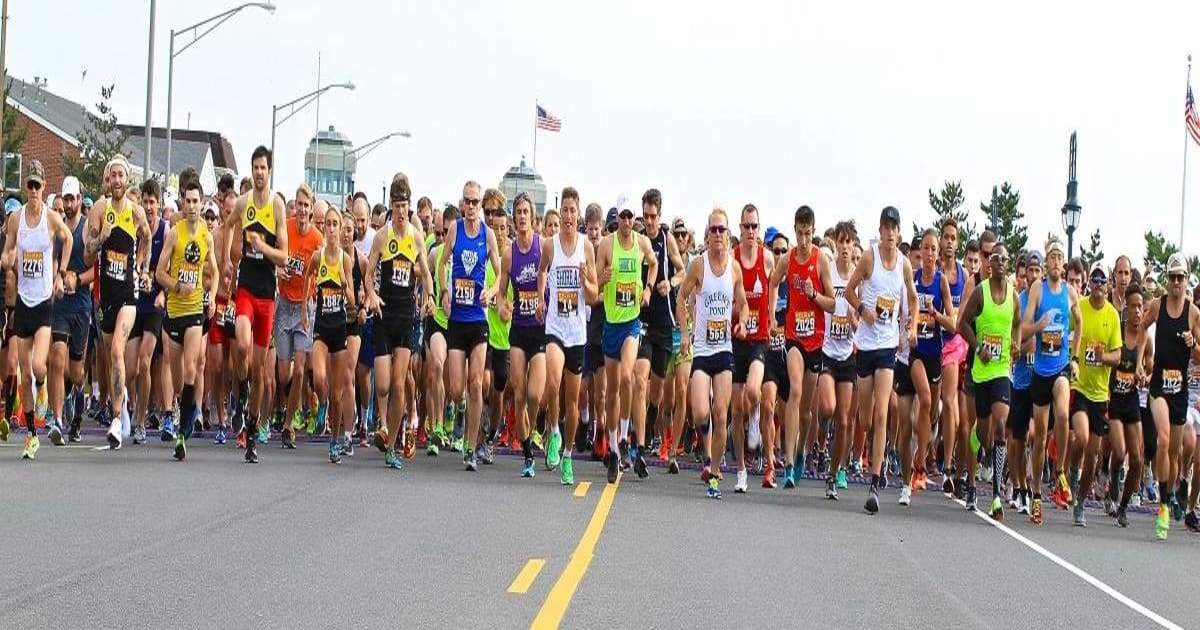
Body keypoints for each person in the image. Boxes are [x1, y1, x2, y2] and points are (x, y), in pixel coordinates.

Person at [844, 206, 919, 514]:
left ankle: (874, 482)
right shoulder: (869, 258)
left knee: (880, 414)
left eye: (894, 227)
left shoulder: (903, 264)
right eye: (885, 227)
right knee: (864, 417)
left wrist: (912, 325)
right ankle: (871, 455)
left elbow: (913, 297)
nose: (889, 233)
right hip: (865, 344)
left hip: (888, 346)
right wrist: (863, 310)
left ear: (899, 232)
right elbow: (848, 291)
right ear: (880, 230)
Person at [676, 208, 750, 499]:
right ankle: (707, 455)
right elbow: (681, 297)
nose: (718, 235)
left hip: (724, 350)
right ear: (707, 235)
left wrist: (742, 320)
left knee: (721, 415)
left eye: (722, 230)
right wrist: (684, 332)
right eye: (713, 230)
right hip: (702, 351)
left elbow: (742, 302)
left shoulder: (734, 269)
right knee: (700, 413)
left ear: (728, 235)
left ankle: (715, 471)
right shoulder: (698, 266)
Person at [4, 160, 74, 459]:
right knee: (23, 374)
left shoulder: (51, 218)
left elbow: (68, 239)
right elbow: (8, 248)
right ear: (26, 188)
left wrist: (60, 274)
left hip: (45, 300)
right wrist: (7, 258)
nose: (33, 191)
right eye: (29, 186)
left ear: (44, 187)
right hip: (23, 301)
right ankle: (32, 434)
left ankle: (44, 385)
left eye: (37, 186)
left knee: (37, 367)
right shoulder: (16, 219)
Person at [365, 173, 435, 469]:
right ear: (391, 207)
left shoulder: (416, 238)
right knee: (381, 385)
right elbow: (369, 274)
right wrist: (371, 295)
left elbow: (427, 273)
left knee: (397, 384)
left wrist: (429, 297)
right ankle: (389, 430)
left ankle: (391, 444)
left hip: (406, 315)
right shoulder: (382, 236)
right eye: (396, 206)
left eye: (404, 206)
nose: (400, 211)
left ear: (409, 207)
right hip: (384, 313)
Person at [225, 146, 289, 463]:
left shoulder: (277, 206)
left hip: (267, 295)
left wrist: (263, 246)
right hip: (246, 289)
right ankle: (240, 388)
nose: (259, 172)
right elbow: (227, 226)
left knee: (262, 372)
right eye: (255, 167)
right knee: (241, 342)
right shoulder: (243, 203)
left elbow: (284, 256)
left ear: (270, 170)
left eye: (264, 167)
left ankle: (251, 429)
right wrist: (227, 259)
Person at [84, 155, 151, 450]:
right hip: (105, 297)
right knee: (112, 359)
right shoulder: (99, 209)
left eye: (121, 175)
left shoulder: (136, 212)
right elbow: (87, 253)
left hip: (128, 296)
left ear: (127, 179)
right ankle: (121, 407)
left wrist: (140, 267)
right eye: (112, 176)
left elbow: (147, 237)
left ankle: (114, 419)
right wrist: (101, 240)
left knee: (115, 351)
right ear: (107, 181)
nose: (117, 180)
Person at [438, 181, 502, 471]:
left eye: (476, 202)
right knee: (455, 388)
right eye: (468, 202)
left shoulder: (488, 235)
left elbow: (501, 273)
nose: (473, 207)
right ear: (462, 204)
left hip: (478, 319)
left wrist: (491, 290)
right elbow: (442, 264)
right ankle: (461, 411)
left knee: (476, 383)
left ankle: (470, 446)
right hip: (457, 320)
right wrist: (444, 291)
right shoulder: (455, 230)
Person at [1137, 253, 1200, 540]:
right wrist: (1139, 361)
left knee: (1173, 455)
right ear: (1167, 279)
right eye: (1172, 277)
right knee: (1162, 440)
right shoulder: (1157, 305)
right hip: (1160, 384)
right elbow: (1140, 331)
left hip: (1181, 389)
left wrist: (1194, 343)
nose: (1176, 282)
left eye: (1181, 277)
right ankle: (1162, 505)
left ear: (1187, 280)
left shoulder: (1193, 313)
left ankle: (1171, 491)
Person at [155, 179, 219, 460]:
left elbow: (214, 271)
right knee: (181, 379)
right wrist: (175, 286)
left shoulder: (206, 235)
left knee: (192, 368)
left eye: (196, 201)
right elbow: (159, 272)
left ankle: (182, 435)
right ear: (182, 202)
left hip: (195, 311)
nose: (192, 206)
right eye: (188, 201)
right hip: (174, 311)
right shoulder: (174, 233)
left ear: (201, 202)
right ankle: (185, 406)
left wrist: (213, 296)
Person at [538, 187, 598, 485]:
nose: (569, 216)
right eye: (565, 210)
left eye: (574, 211)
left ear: (579, 215)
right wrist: (539, 297)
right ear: (560, 213)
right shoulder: (550, 245)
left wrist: (586, 280)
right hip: (555, 327)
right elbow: (541, 271)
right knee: (552, 381)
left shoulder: (587, 248)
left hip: (577, 331)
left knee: (573, 403)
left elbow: (594, 293)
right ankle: (553, 431)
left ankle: (569, 454)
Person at [1019, 236, 1081, 523]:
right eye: (1051, 257)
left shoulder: (1070, 292)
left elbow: (1079, 323)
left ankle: (1060, 472)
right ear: (1046, 262)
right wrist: (1039, 326)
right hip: (1040, 371)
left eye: (1059, 257)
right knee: (1041, 437)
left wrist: (1076, 357)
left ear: (1063, 262)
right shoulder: (1036, 290)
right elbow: (1023, 329)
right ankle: (1036, 496)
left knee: (1064, 413)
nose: (1056, 261)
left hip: (1060, 367)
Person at [956, 243, 1021, 517]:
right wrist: (978, 346)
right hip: (981, 371)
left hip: (1001, 372)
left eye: (1006, 259)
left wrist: (1016, 344)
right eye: (997, 259)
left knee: (1001, 425)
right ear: (990, 264)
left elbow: (1017, 323)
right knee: (982, 434)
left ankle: (995, 495)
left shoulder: (1014, 296)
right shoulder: (980, 293)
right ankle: (974, 442)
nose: (1002, 263)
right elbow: (962, 324)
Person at [596, 202, 658, 483]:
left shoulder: (642, 243)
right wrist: (602, 278)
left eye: (630, 216)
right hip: (611, 324)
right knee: (611, 393)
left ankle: (622, 438)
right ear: (616, 219)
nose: (626, 221)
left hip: (632, 322)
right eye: (622, 216)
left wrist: (647, 288)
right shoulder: (607, 246)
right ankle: (612, 447)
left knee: (627, 378)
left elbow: (654, 264)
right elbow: (595, 282)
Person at [628, 189, 686, 479]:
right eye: (646, 216)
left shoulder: (666, 239)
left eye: (654, 217)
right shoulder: (637, 241)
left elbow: (683, 270)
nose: (650, 222)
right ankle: (638, 446)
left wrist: (670, 283)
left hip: (664, 322)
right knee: (639, 379)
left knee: (657, 392)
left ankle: (647, 424)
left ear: (659, 216)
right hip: (640, 321)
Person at [899, 228, 955, 504]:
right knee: (921, 399)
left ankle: (919, 461)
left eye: (934, 249)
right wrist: (909, 330)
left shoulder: (942, 282)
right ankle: (917, 469)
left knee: (930, 411)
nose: (931, 254)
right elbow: (904, 311)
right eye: (926, 250)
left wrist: (937, 315)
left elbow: (953, 323)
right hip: (915, 352)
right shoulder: (913, 281)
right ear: (920, 254)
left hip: (936, 355)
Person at [1068, 261, 1123, 527]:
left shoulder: (1112, 315)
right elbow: (1067, 333)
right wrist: (1072, 357)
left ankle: (1079, 502)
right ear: (1089, 282)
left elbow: (1119, 355)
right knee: (1079, 435)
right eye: (1095, 280)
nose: (1099, 286)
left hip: (1100, 394)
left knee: (1093, 454)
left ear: (1108, 284)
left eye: (1103, 281)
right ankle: (1072, 470)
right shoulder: (1080, 306)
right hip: (1079, 386)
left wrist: (1105, 357)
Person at [499, 192, 546, 478]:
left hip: (539, 328)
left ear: (533, 216)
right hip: (518, 328)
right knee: (518, 393)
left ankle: (537, 431)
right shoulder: (509, 254)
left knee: (534, 394)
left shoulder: (543, 247)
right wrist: (503, 305)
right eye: (518, 212)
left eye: (526, 211)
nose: (522, 216)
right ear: (515, 219)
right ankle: (527, 451)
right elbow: (503, 291)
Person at [273, 184, 324, 448]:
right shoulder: (286, 227)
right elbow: (273, 255)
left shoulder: (317, 239)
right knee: (284, 375)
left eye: (307, 205)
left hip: (305, 306)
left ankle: (288, 425)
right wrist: (277, 270)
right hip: (284, 305)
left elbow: (324, 271)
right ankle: (293, 403)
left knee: (301, 370)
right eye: (299, 204)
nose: (302, 210)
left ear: (311, 210)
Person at [730, 204, 775, 493]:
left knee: (753, 390)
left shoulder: (767, 259)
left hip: (758, 338)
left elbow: (777, 284)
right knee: (735, 411)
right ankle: (742, 471)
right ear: (739, 228)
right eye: (746, 226)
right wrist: (737, 312)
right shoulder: (732, 261)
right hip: (735, 338)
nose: (750, 231)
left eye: (754, 226)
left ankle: (756, 417)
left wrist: (770, 316)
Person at [307, 208, 357, 463]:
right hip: (321, 328)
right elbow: (307, 278)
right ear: (325, 228)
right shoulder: (318, 257)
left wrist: (344, 284)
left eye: (336, 224)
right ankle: (321, 403)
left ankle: (335, 440)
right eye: (328, 224)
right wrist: (307, 304)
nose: (332, 228)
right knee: (318, 378)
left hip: (339, 329)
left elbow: (352, 300)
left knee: (338, 393)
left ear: (340, 228)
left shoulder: (345, 260)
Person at [49, 175, 93, 443]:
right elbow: (52, 259)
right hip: (61, 304)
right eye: (64, 198)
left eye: (72, 198)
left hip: (82, 305)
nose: (68, 203)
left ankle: (77, 399)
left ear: (79, 199)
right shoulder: (57, 228)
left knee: (76, 371)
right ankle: (56, 421)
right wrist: (56, 279)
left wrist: (78, 279)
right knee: (56, 358)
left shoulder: (88, 229)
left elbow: (96, 270)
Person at [130, 178, 169, 445]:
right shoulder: (135, 230)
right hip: (134, 302)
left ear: (159, 204)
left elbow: (171, 270)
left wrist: (164, 293)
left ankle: (141, 421)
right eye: (145, 202)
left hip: (155, 304)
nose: (148, 207)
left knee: (145, 362)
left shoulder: (166, 231)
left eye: (152, 202)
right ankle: (130, 409)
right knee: (130, 367)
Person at [1006, 250, 1042, 516]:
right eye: (1029, 271)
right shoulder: (1020, 300)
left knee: (1034, 434)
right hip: (1020, 379)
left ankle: (1032, 487)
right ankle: (1018, 485)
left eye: (1037, 271)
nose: (1033, 276)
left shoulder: (1048, 299)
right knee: (1017, 439)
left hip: (1041, 380)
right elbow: (1017, 336)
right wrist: (1035, 330)